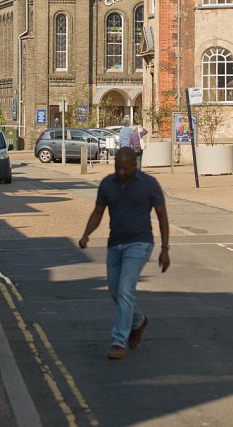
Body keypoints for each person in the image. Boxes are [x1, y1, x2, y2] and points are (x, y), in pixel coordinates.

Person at [78, 146, 170, 360]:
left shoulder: (149, 184)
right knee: (114, 292)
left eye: (125, 169)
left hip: (140, 244)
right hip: (115, 244)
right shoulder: (107, 184)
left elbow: (163, 217)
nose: (121, 172)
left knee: (126, 290)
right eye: (118, 167)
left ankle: (118, 342)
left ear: (135, 166)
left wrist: (165, 249)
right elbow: (98, 212)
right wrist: (86, 234)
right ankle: (138, 321)